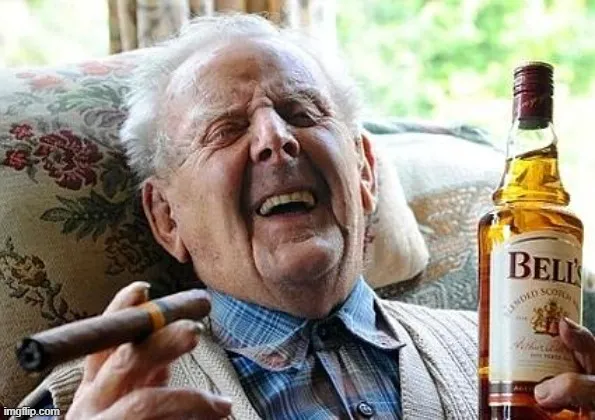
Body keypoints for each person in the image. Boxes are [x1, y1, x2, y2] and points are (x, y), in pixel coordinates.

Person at [21, 14, 594, 419]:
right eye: (226, 129)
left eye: (301, 112)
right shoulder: (82, 397)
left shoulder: (514, 358)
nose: (276, 138)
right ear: (166, 217)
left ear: (364, 172)